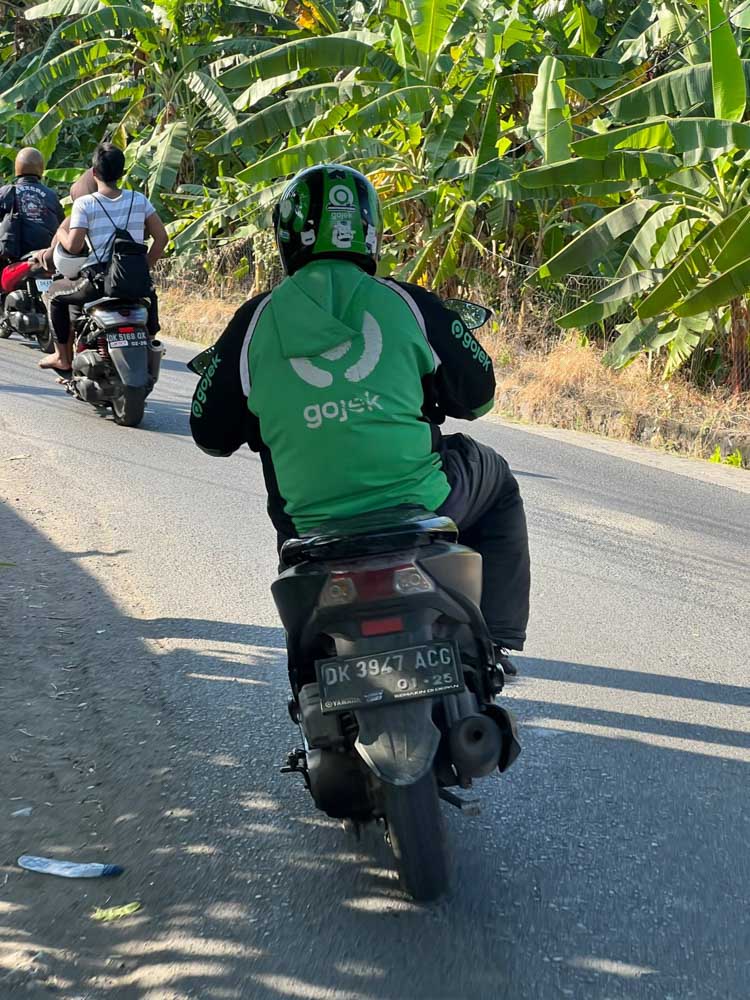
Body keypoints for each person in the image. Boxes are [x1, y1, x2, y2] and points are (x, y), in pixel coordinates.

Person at [189, 164, 530, 675]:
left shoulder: (253, 322)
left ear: (286, 237)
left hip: (310, 530)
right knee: (498, 480)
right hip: (422, 506)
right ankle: (494, 645)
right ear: (370, 229)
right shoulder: (407, 303)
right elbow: (479, 396)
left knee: (303, 605)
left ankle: (310, 697)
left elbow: (209, 435)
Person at [39, 142, 168, 374]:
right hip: (136, 282)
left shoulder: (85, 203)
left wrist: (60, 232)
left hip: (99, 282)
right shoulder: (139, 200)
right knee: (150, 301)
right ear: (122, 172)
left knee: (54, 295)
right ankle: (147, 346)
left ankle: (62, 357)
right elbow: (162, 238)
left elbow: (74, 245)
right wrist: (143, 267)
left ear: (95, 173)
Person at [0, 147, 64, 261]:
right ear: (41, 168)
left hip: (16, 254)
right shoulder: (51, 195)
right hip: (47, 254)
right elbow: (62, 224)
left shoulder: (6, 192)